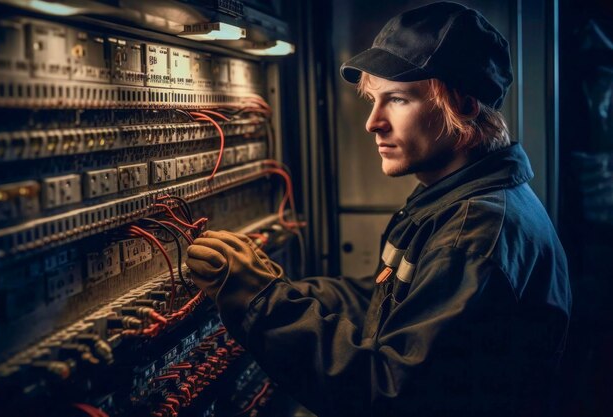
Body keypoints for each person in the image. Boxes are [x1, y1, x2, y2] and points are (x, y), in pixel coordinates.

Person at [185, 2, 572, 416]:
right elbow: (386, 303)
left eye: (398, 100)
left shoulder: (472, 233)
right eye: (373, 99)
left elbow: (389, 395)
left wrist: (262, 301)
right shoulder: (454, 201)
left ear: (464, 106)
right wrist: (277, 287)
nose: (373, 122)